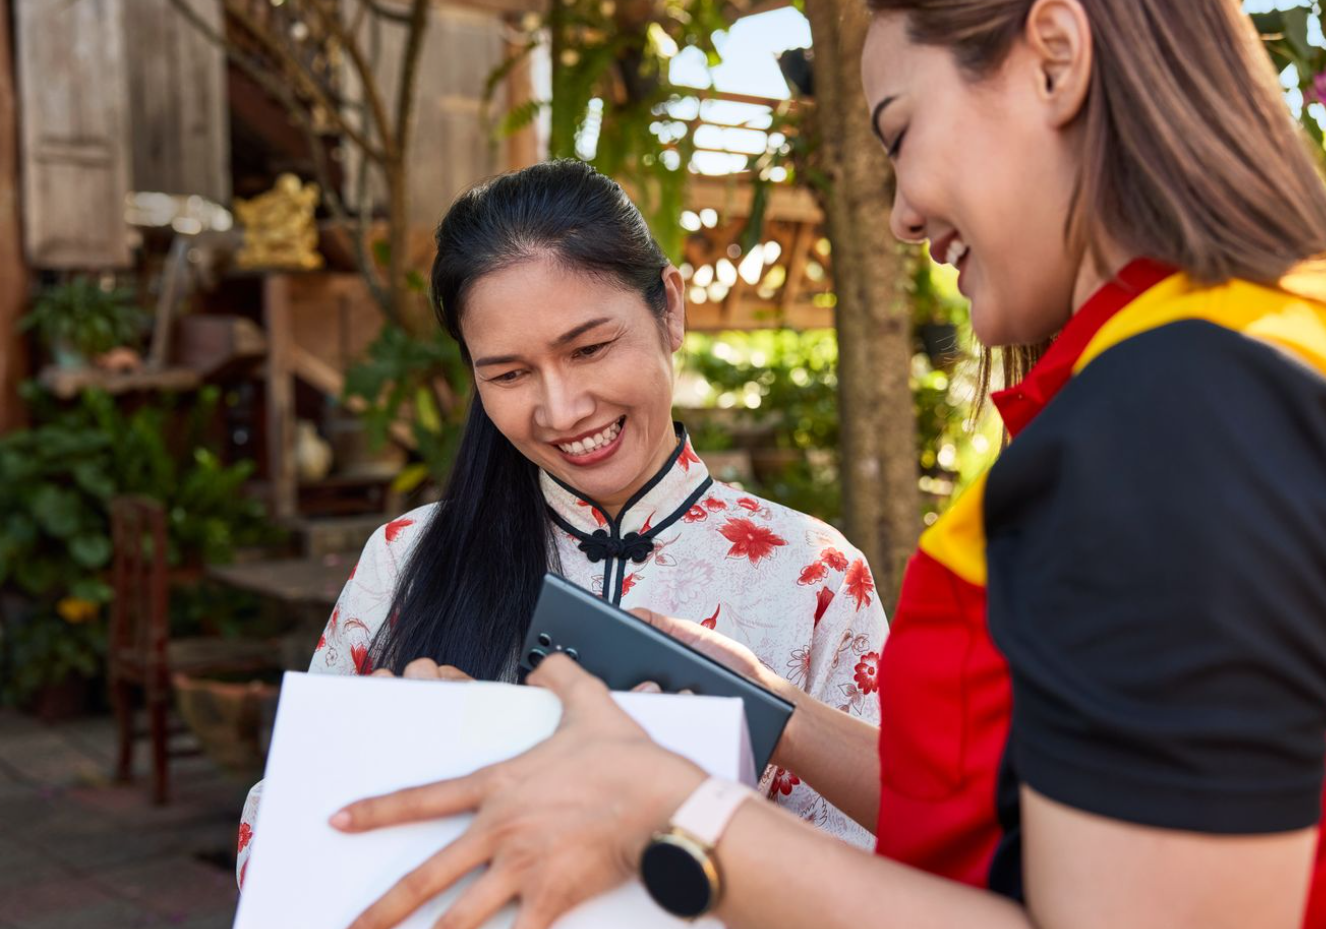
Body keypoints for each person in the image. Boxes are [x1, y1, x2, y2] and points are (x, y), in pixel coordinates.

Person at [322, 1, 1326, 928]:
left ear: (1056, 58)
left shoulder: (1176, 406)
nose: (898, 210)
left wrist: (671, 812)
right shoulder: (1237, 358)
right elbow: (1039, 816)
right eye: (507, 370)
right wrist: (763, 705)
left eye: (897, 130)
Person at [234, 160, 890, 886]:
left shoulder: (813, 575)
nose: (562, 409)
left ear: (669, 307)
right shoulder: (405, 554)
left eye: (589, 349)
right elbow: (272, 836)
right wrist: (403, 755)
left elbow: (882, 870)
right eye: (510, 374)